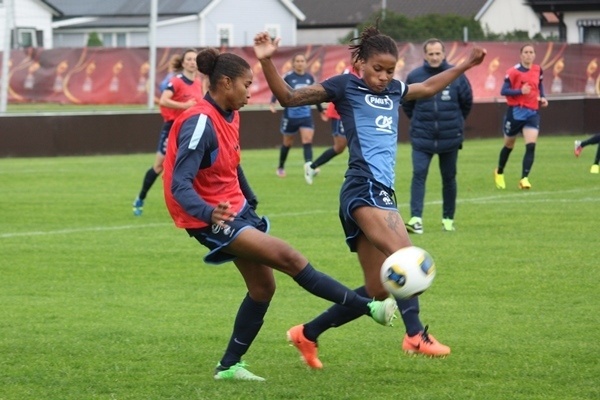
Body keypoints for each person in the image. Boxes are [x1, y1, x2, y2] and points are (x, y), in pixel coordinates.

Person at [162, 47, 398, 382]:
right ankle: (370, 308)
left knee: (262, 288)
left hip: (234, 209)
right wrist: (208, 212)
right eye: (247, 84)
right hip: (209, 217)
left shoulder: (231, 112)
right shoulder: (199, 121)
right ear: (225, 83)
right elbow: (179, 184)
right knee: (288, 257)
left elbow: (230, 161)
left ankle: (229, 366)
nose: (250, 92)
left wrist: (248, 194)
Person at [254, 26, 486, 366]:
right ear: (360, 62)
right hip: (362, 189)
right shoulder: (344, 86)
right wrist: (268, 61)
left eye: (390, 71)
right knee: (405, 257)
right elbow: (289, 97)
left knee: (378, 290)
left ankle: (308, 333)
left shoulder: (394, 89)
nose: (383, 76)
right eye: (377, 69)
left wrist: (465, 64)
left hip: (383, 194)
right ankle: (414, 335)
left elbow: (428, 87)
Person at [402, 39, 473, 234]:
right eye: (430, 54)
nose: (434, 57)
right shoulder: (415, 76)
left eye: (437, 53)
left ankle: (448, 219)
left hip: (450, 137)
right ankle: (416, 219)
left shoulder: (456, 75)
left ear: (444, 54)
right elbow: (407, 104)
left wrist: (455, 124)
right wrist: (420, 122)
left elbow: (466, 102)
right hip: (422, 137)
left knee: (449, 178)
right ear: (425, 55)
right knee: (419, 175)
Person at [132, 49, 204, 216]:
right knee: (158, 166)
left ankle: (195, 206)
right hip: (172, 128)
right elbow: (164, 100)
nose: (193, 62)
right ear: (184, 62)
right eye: (189, 59)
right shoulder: (176, 81)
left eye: (195, 59)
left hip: (190, 129)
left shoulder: (199, 83)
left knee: (194, 167)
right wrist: (184, 106)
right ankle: (140, 198)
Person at [494, 44, 549, 190]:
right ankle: (499, 171)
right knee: (509, 145)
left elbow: (540, 85)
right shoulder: (513, 72)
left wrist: (542, 97)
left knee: (531, 146)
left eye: (531, 52)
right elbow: (503, 91)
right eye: (526, 52)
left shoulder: (538, 69)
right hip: (516, 113)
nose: (529, 55)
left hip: (532, 112)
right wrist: (520, 91)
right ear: (521, 55)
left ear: (534, 55)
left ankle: (524, 178)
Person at [269, 53, 325, 184]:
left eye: (302, 61)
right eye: (298, 61)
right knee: (287, 143)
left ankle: (309, 167)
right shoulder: (288, 77)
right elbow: (278, 89)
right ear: (293, 63)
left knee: (307, 140)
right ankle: (281, 167)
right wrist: (272, 102)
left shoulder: (309, 78)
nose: (300, 63)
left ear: (306, 63)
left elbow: (314, 95)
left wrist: (321, 110)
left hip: (305, 116)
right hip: (291, 116)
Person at [305, 65, 359, 181]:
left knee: (355, 143)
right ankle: (312, 167)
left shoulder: (368, 71)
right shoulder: (349, 71)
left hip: (353, 113)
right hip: (341, 113)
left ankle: (353, 175)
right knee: (341, 146)